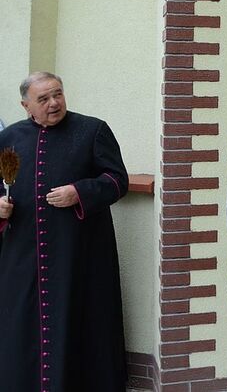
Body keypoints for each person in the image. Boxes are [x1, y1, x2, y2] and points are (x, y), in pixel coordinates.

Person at [0, 71, 129, 391]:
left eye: (57, 94)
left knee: (81, 324)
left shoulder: (92, 130)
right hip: (24, 256)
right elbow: (3, 184)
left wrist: (79, 192)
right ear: (26, 105)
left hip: (79, 254)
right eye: (43, 99)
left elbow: (117, 180)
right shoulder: (10, 138)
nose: (54, 103)